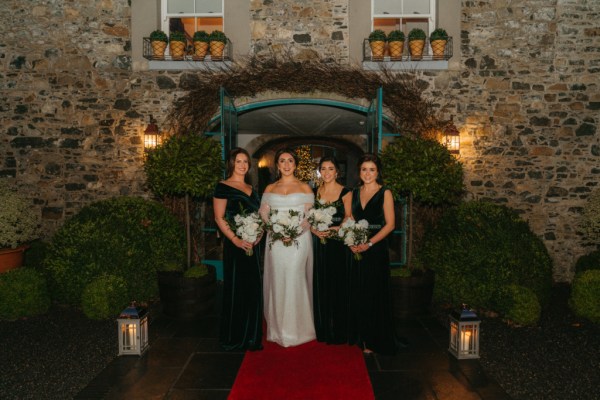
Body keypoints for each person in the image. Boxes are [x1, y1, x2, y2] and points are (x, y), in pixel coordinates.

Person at [260, 148, 315, 347]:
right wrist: (276, 231)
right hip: (275, 241)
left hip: (299, 241)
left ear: (296, 164)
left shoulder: (305, 188)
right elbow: (264, 215)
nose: (286, 164)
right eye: (282, 160)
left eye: (290, 160)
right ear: (277, 164)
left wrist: (292, 233)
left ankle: (298, 329)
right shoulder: (269, 188)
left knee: (294, 276)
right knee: (278, 278)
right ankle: (278, 329)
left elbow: (310, 218)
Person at [213, 148, 263, 351]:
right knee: (236, 288)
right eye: (238, 161)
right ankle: (234, 337)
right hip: (236, 246)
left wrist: (258, 235)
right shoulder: (222, 187)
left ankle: (251, 337)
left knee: (252, 289)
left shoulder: (251, 188)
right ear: (231, 164)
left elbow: (258, 217)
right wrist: (235, 239)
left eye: (245, 162)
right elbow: (219, 218)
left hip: (253, 245)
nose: (242, 165)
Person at [348, 153, 398, 355]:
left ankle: (375, 338)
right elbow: (349, 219)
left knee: (374, 293)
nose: (367, 173)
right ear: (359, 172)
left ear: (378, 172)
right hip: (356, 248)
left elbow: (390, 225)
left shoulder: (385, 192)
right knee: (359, 291)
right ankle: (361, 335)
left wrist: (369, 243)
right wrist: (351, 240)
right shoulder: (354, 192)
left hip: (376, 249)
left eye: (372, 169)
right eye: (364, 169)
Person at [311, 156, 352, 344]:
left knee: (337, 284)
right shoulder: (314, 192)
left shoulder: (346, 192)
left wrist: (335, 229)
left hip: (337, 243)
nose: (327, 172)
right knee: (320, 283)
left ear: (337, 172)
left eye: (331, 168)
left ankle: (339, 329)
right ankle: (322, 328)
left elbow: (348, 217)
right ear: (320, 172)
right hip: (318, 243)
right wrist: (313, 229)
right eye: (323, 169)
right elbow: (308, 217)